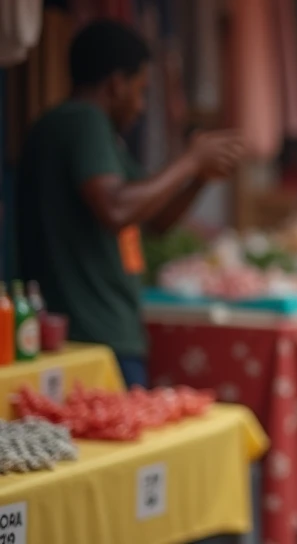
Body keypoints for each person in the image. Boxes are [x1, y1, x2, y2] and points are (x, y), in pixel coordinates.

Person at [16, 20, 244, 388]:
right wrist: (188, 160)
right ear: (116, 84)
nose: (140, 107)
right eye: (140, 91)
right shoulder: (83, 121)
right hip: (93, 335)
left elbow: (154, 220)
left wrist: (200, 176)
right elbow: (116, 209)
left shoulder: (93, 135)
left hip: (101, 332)